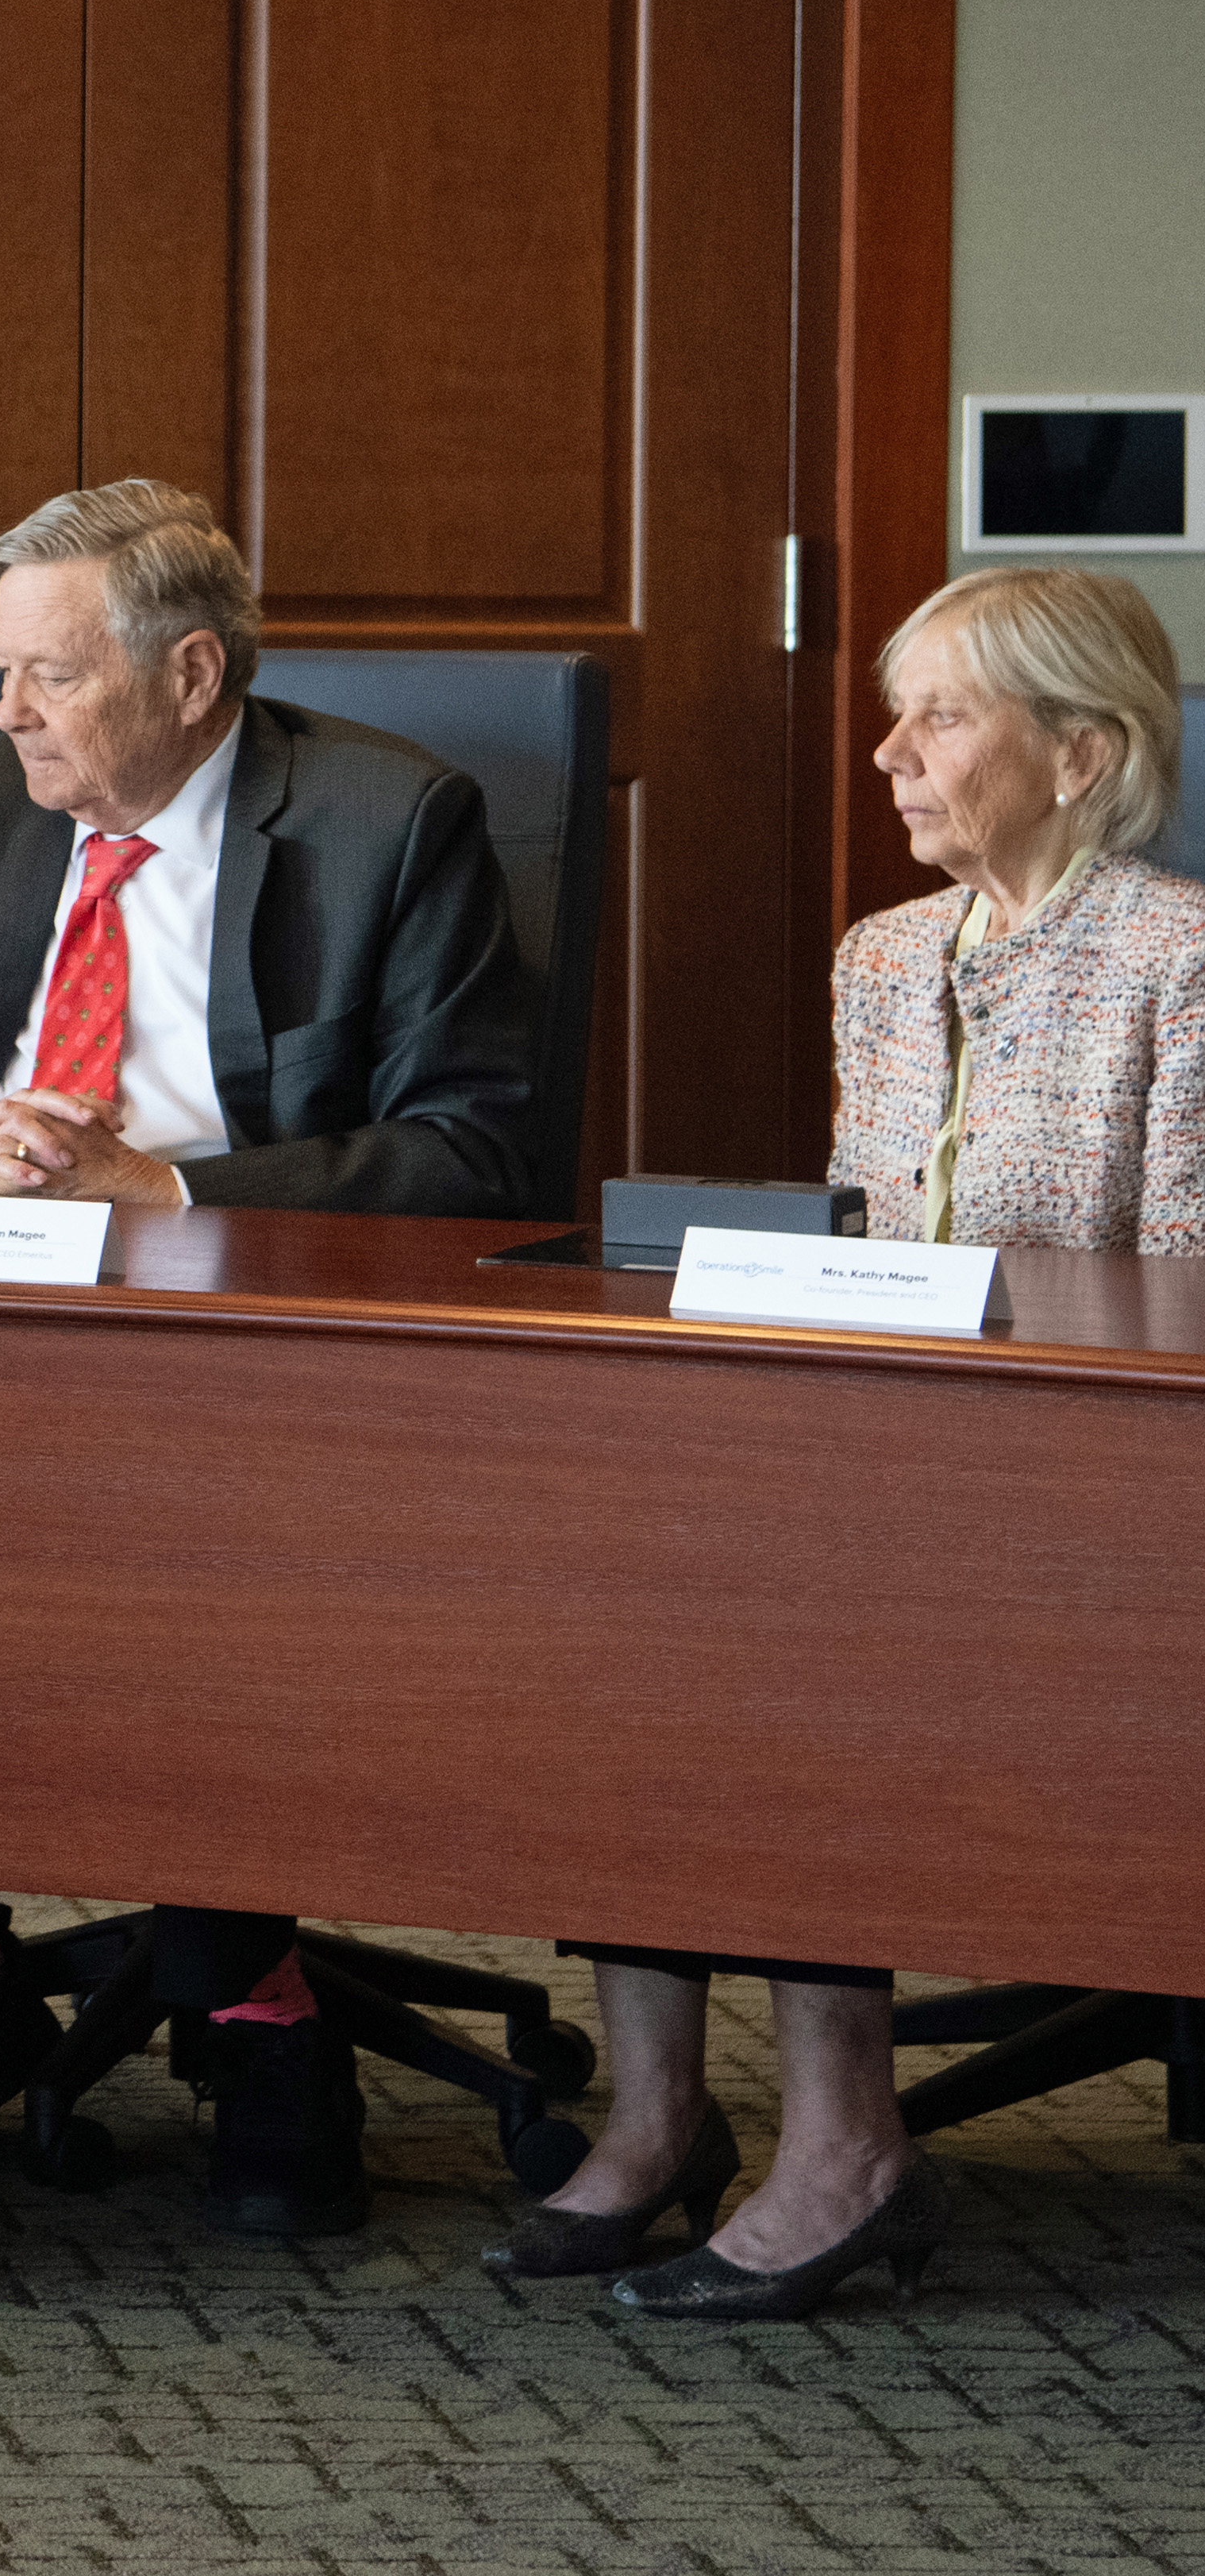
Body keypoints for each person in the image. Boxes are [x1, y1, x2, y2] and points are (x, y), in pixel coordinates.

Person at [0, 476, 545, 2238]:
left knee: (188, 1564)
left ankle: (255, 2003)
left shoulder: (386, 819)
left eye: (49, 677)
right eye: (0, 672)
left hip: (240, 1321)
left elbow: (475, 1146)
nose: (6, 714)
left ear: (193, 675)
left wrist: (156, 1185)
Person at [500, 565, 1205, 2320]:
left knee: (798, 1648)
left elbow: (1187, 1299)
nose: (889, 754)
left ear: (1084, 753)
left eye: (944, 716)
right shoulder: (884, 960)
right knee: (631, 1612)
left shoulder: (1182, 962)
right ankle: (663, 2119)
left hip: (1104, 1487)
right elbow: (869, 1256)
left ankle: (847, 2150)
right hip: (901, 1455)